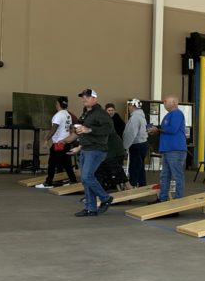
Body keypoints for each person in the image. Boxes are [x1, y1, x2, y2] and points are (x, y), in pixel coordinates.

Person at [72, 88, 114, 217]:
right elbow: (83, 127)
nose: (84, 99)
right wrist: (78, 129)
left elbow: (108, 129)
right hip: (86, 148)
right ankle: (91, 208)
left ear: (95, 99)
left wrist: (89, 130)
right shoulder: (87, 113)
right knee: (85, 180)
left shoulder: (101, 113)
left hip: (96, 149)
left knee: (86, 177)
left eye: (87, 97)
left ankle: (105, 198)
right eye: (83, 97)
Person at [149, 95, 187, 203]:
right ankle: (162, 198)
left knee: (176, 175)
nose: (164, 103)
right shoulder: (169, 115)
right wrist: (157, 130)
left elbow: (173, 129)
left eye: (166, 101)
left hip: (175, 150)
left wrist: (158, 129)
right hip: (167, 150)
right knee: (165, 175)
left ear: (174, 103)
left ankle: (178, 200)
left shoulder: (177, 113)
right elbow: (167, 130)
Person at [38, 97, 76, 188]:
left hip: (59, 143)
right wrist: (71, 138)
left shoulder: (58, 115)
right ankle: (73, 180)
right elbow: (70, 128)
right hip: (66, 142)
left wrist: (46, 140)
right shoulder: (68, 115)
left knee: (51, 163)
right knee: (66, 164)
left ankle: (48, 183)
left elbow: (54, 129)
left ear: (58, 104)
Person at [123, 98, 149, 187]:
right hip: (143, 144)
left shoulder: (134, 118)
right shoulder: (142, 116)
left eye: (130, 105)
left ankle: (132, 186)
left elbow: (131, 133)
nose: (129, 108)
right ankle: (142, 185)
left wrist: (125, 146)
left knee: (134, 167)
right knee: (140, 167)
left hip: (137, 145)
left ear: (133, 106)